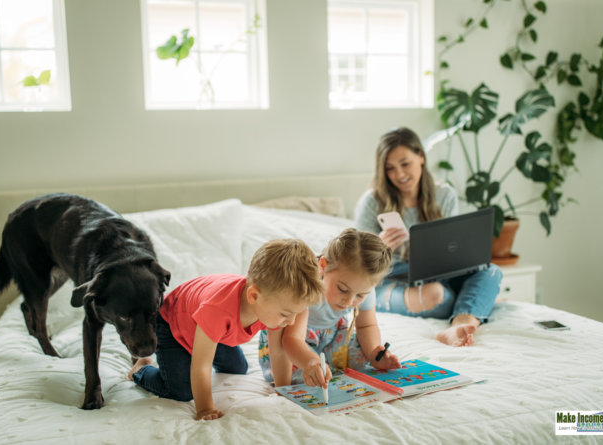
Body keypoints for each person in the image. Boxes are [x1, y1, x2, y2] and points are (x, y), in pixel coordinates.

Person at [128, 239, 324, 420]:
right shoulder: (218, 310)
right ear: (253, 296)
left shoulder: (272, 306)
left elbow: (278, 351)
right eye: (286, 314)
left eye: (296, 314)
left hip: (212, 330)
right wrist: (205, 408)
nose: (291, 322)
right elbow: (201, 365)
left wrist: (284, 390)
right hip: (172, 324)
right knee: (182, 391)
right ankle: (140, 369)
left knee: (239, 369)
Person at [354, 127, 503, 347]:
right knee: (435, 295)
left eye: (405, 164)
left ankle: (459, 324)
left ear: (421, 156)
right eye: (390, 168)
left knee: (491, 271)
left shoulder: (444, 194)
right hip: (390, 278)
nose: (400, 174)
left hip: (437, 273)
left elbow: (453, 250)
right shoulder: (372, 202)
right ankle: (472, 304)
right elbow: (356, 264)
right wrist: (380, 247)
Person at [259, 228, 401, 388]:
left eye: (360, 295)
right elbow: (291, 339)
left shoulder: (365, 288)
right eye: (342, 289)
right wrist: (310, 362)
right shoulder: (306, 286)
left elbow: (366, 325)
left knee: (361, 358)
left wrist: (374, 353)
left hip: (333, 336)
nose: (349, 301)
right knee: (308, 378)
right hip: (295, 342)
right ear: (323, 266)